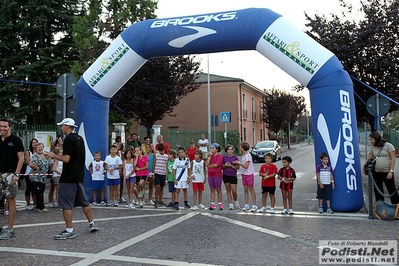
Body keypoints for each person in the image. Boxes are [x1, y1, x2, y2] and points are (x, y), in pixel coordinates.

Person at [47, 118, 99, 240]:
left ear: (67, 127)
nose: (61, 128)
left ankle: (69, 230)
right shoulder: (79, 138)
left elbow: (66, 159)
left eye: (62, 126)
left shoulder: (69, 139)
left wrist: (53, 155)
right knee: (83, 201)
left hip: (69, 177)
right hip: (79, 176)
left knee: (66, 204)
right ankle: (91, 222)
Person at [0, 117, 24, 240]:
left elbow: (21, 158)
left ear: (9, 127)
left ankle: (10, 229)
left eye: (5, 126)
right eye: (0, 126)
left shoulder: (15, 140)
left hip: (10, 174)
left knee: (11, 201)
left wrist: (17, 174)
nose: (2, 128)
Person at [363, 131, 399, 204]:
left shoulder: (388, 146)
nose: (370, 141)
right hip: (376, 172)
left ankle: (396, 207)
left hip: (387, 171)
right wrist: (364, 166)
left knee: (391, 189)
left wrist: (391, 171)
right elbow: (370, 158)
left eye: (371, 139)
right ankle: (380, 207)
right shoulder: (373, 147)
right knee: (378, 190)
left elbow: (393, 159)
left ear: (376, 139)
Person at [234, 141, 257, 212]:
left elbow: (246, 166)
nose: (239, 148)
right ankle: (246, 204)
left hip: (249, 174)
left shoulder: (248, 155)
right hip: (244, 174)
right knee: (245, 190)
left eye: (240, 147)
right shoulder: (244, 155)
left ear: (243, 148)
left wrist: (239, 163)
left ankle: (254, 205)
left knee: (251, 189)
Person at [29, 142, 50, 212]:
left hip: (43, 176)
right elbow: (31, 163)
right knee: (39, 191)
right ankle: (40, 207)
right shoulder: (34, 156)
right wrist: (37, 168)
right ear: (35, 149)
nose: (40, 148)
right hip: (37, 177)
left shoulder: (45, 155)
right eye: (38, 147)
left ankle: (39, 205)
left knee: (42, 190)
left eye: (41, 147)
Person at [222, 144, 240, 210]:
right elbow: (222, 167)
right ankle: (230, 203)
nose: (230, 151)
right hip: (226, 175)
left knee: (234, 191)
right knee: (228, 189)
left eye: (231, 149)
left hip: (233, 175)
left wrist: (231, 166)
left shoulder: (235, 158)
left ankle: (235, 200)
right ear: (226, 151)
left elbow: (238, 167)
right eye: (229, 149)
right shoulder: (224, 158)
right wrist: (225, 165)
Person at [206, 143, 223, 210]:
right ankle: (212, 203)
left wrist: (209, 166)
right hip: (210, 175)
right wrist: (209, 157)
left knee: (218, 189)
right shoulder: (210, 156)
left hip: (217, 175)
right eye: (211, 148)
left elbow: (216, 165)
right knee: (212, 189)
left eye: (213, 148)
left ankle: (220, 203)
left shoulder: (219, 156)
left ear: (217, 149)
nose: (211, 150)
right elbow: (206, 164)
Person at [153, 143, 168, 208]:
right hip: (157, 173)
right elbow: (154, 164)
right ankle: (156, 200)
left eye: (162, 150)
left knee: (162, 187)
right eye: (160, 150)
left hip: (163, 173)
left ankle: (160, 200)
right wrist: (153, 173)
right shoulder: (156, 155)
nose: (161, 152)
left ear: (164, 150)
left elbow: (167, 165)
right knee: (158, 186)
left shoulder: (166, 156)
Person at [24, 138, 38, 210]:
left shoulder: (38, 152)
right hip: (29, 172)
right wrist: (35, 166)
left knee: (34, 189)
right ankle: (28, 203)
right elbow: (28, 162)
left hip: (36, 172)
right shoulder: (28, 152)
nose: (34, 144)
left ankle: (35, 202)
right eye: (33, 142)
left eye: (35, 142)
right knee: (29, 188)